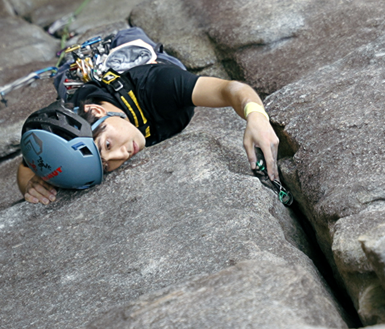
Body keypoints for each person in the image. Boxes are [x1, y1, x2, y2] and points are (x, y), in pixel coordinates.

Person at [16, 29, 279, 205]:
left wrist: (256, 116)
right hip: (83, 90)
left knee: (133, 44)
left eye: (107, 145)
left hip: (128, 67)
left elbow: (231, 89)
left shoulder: (158, 87)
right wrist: (31, 183)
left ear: (97, 112)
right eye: (105, 165)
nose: (119, 156)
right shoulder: (68, 130)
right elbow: (28, 162)